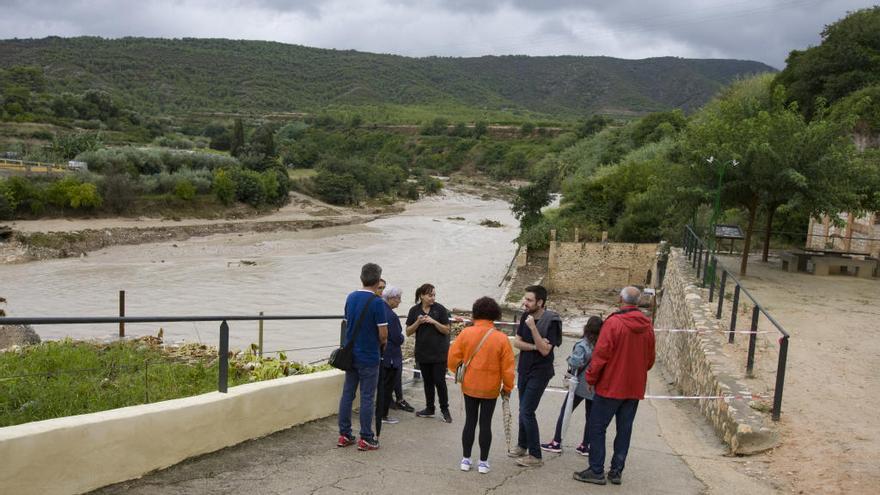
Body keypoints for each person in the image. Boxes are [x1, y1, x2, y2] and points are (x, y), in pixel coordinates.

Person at [574, 286, 655, 486]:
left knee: (597, 426)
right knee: (624, 429)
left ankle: (596, 469)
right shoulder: (648, 326)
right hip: (634, 387)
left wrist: (591, 379)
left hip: (611, 385)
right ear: (637, 302)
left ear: (621, 299)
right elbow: (650, 360)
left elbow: (601, 355)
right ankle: (616, 471)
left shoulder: (613, 323)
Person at [447, 297, 515, 475]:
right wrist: (507, 387)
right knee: (486, 424)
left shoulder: (466, 333)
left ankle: (465, 459)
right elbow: (508, 368)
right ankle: (483, 462)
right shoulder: (501, 338)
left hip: (470, 385)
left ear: (476, 312)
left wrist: (460, 374)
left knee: (470, 422)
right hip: (491, 388)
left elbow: (453, 359)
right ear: (495, 314)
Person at [337, 263, 389, 451]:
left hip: (351, 355)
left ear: (362, 278)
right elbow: (383, 334)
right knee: (367, 397)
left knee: (347, 394)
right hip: (369, 356)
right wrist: (381, 343)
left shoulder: (351, 298)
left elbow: (347, 322)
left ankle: (344, 434)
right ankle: (366, 436)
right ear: (377, 281)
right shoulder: (377, 303)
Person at [509, 285, 562, 467]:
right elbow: (517, 342)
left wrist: (533, 329)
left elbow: (546, 351)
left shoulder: (552, 321)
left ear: (540, 302)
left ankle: (536, 456)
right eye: (525, 299)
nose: (525, 302)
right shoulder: (525, 315)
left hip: (540, 372)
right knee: (523, 408)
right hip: (524, 369)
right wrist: (533, 346)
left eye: (529, 300)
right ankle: (522, 445)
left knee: (527, 410)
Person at [540, 316, 603, 455]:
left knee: (566, 411)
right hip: (594, 385)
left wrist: (569, 359)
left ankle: (557, 441)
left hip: (579, 384)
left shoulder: (582, 345)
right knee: (591, 417)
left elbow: (575, 363)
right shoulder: (602, 345)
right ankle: (585, 445)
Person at [405, 283, 452, 423]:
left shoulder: (440, 309)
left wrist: (433, 321)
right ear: (422, 296)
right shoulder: (414, 310)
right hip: (422, 352)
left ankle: (445, 410)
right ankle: (429, 408)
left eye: (434, 295)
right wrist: (418, 323)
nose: (433, 298)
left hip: (439, 353)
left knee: (440, 381)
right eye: (430, 295)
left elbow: (446, 330)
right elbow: (408, 332)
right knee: (428, 382)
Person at [376, 285, 405, 434]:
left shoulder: (380, 309)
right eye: (398, 298)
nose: (399, 301)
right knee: (387, 387)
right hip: (391, 356)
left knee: (383, 385)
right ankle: (383, 415)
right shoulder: (391, 316)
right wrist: (402, 338)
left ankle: (381, 413)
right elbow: (397, 337)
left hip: (382, 354)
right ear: (391, 298)